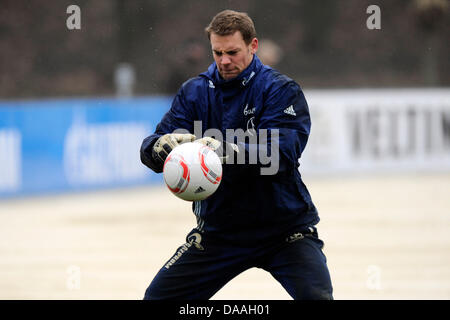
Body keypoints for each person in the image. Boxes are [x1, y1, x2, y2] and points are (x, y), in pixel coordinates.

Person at [140, 9, 333, 300]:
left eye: (232, 52)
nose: (224, 60)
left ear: (253, 46)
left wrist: (230, 151)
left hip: (284, 231)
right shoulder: (194, 92)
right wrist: (157, 148)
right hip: (220, 233)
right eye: (217, 52)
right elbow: (153, 145)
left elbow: (283, 152)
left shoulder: (280, 89)